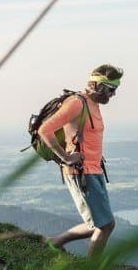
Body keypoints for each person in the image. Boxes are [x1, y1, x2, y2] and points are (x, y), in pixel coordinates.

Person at [40, 64, 122, 258]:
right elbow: (45, 130)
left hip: (94, 170)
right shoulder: (77, 103)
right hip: (81, 172)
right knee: (105, 225)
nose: (113, 95)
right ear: (97, 85)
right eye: (111, 89)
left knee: (100, 223)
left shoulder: (93, 105)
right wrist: (65, 157)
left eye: (115, 90)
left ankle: (56, 241)